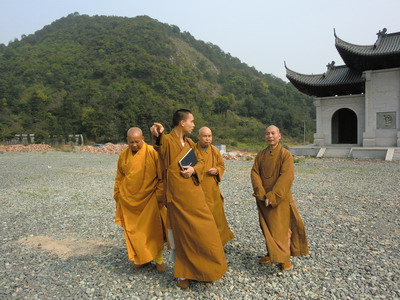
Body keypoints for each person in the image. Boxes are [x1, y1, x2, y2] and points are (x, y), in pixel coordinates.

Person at [150, 109, 227, 289]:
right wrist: (157, 133)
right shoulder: (168, 140)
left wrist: (194, 170)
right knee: (182, 235)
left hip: (194, 194)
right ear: (182, 123)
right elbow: (159, 144)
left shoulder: (191, 142)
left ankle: (203, 269)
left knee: (205, 231)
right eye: (191, 121)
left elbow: (200, 162)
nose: (193, 124)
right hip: (177, 198)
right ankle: (182, 273)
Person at [250, 125, 309, 271]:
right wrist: (261, 192)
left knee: (281, 230)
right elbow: (254, 172)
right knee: (267, 228)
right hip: (263, 198)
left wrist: (273, 195)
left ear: (279, 136)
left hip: (279, 198)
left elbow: (287, 177)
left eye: (273, 133)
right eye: (267, 134)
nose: (270, 136)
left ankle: (285, 260)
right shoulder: (261, 155)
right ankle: (272, 254)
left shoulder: (285, 154)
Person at [113, 127, 167, 273]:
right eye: (131, 142)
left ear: (143, 139)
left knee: (153, 231)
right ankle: (141, 259)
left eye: (137, 142)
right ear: (127, 141)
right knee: (134, 232)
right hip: (129, 200)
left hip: (150, 199)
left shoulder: (152, 152)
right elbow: (120, 176)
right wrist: (117, 194)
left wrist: (159, 197)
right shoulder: (123, 155)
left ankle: (159, 260)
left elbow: (162, 177)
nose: (134, 145)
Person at [196, 126, 234, 246]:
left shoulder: (214, 150)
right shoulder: (192, 150)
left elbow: (221, 165)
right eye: (205, 136)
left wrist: (217, 170)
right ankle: (202, 245)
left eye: (209, 136)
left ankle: (218, 244)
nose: (207, 139)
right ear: (199, 137)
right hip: (197, 189)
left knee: (217, 218)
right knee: (200, 220)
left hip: (212, 189)